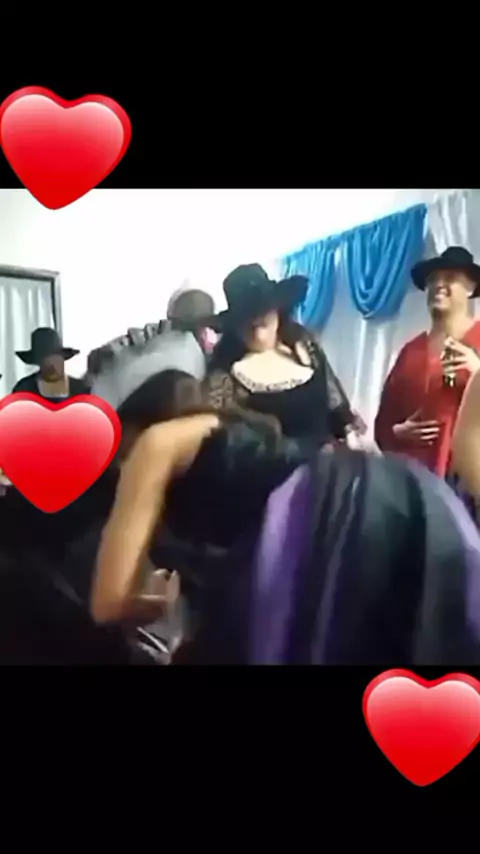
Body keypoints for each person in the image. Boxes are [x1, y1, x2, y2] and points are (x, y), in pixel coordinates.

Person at [90, 413, 480, 665]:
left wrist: (160, 602)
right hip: (401, 493)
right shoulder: (222, 430)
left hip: (330, 517)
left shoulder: (152, 443)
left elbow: (108, 604)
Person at [204, 264, 362, 451]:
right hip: (271, 468)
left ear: (278, 311)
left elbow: (334, 404)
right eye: (248, 324)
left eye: (263, 321)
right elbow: (222, 438)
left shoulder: (305, 346)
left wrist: (346, 431)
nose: (258, 335)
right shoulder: (222, 373)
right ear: (234, 325)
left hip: (328, 461)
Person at [374, 246, 480, 478]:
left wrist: (477, 374)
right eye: (432, 280)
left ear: (471, 288)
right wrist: (397, 432)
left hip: (472, 481)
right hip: (416, 481)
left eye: (450, 278)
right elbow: (384, 423)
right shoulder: (410, 353)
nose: (438, 285)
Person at [12, 327, 89, 401]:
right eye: (45, 359)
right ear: (38, 361)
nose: (51, 364)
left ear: (62, 358)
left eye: (55, 357)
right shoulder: (24, 390)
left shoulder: (80, 389)